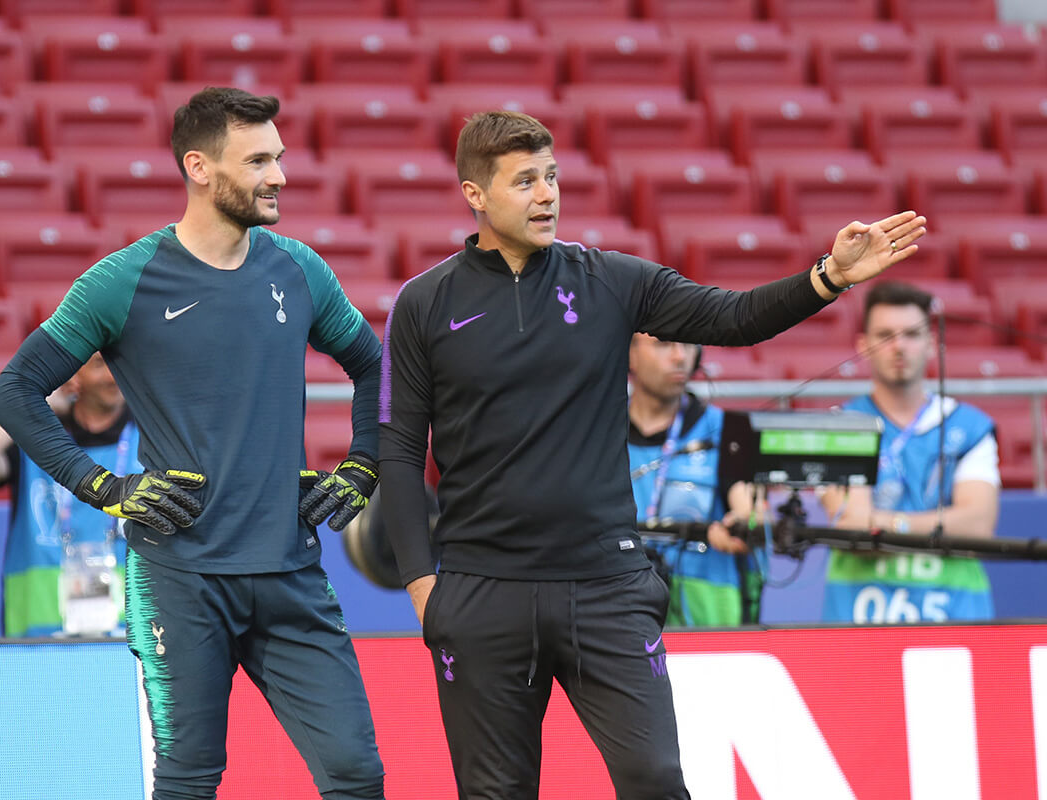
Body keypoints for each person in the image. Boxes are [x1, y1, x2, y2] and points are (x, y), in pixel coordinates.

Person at [378, 109, 926, 799]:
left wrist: (828, 275)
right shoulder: (424, 303)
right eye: (525, 181)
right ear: (476, 194)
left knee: (657, 781)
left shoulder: (611, 280)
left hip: (606, 586)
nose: (547, 193)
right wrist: (426, 591)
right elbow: (398, 450)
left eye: (551, 176)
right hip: (482, 592)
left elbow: (734, 317)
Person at [0, 88, 386, 800]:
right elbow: (14, 393)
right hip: (178, 579)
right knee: (189, 779)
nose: (280, 177)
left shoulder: (299, 269)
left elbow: (377, 367)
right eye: (259, 160)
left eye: (280, 158)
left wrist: (364, 464)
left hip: (290, 571)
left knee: (357, 774)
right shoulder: (122, 280)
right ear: (198, 167)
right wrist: (102, 488)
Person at [819, 281, 999, 623]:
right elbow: (852, 526)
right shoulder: (841, 425)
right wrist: (942, 524)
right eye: (885, 335)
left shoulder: (971, 427)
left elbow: (977, 526)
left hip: (956, 617)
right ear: (864, 346)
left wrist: (888, 524)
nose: (898, 347)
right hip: (858, 620)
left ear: (932, 345)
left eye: (911, 335)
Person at [0, 353, 140, 638]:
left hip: (129, 640)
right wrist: (34, 409)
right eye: (99, 365)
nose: (113, 375)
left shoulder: (150, 439)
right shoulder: (37, 439)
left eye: (118, 361)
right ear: (72, 373)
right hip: (38, 644)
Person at [627, 334, 760, 627]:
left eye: (687, 344)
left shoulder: (726, 429)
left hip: (709, 628)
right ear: (629, 354)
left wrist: (740, 524)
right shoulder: (597, 428)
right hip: (618, 617)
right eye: (663, 344)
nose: (680, 356)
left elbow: (751, 514)